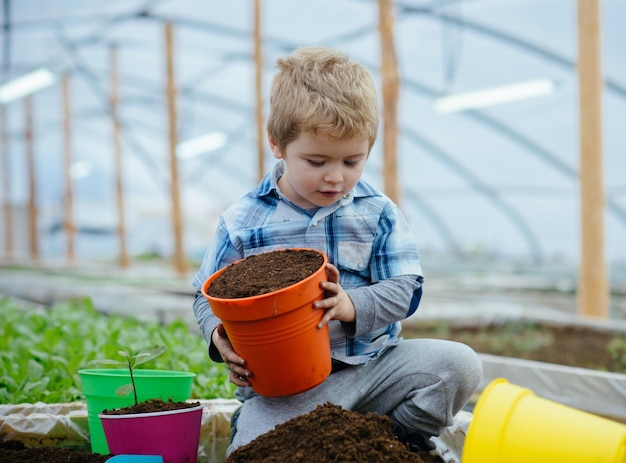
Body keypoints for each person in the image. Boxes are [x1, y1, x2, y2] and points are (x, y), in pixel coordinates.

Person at [192, 45, 482, 455]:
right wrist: (219, 336)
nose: (334, 177)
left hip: (373, 369)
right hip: (286, 391)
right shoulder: (243, 220)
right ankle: (272, 428)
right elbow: (205, 294)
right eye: (316, 160)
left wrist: (351, 305)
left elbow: (406, 288)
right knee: (254, 452)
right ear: (277, 144)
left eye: (352, 161)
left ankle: (392, 439)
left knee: (457, 365)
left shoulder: (376, 211)